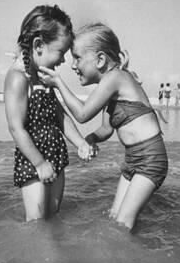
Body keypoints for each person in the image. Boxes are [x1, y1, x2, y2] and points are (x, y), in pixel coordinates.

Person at [38, 22, 168, 232]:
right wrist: (90, 139)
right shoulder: (109, 86)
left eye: (77, 57)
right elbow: (106, 129)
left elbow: (82, 114)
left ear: (100, 60)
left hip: (151, 159)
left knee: (123, 222)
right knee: (114, 219)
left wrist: (58, 83)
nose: (73, 65)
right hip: (133, 159)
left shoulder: (115, 77)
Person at [4, 4, 94, 222]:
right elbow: (16, 128)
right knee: (36, 221)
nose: (63, 60)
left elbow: (60, 116)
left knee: (53, 216)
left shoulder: (44, 78)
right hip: (32, 159)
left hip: (56, 154)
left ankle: (53, 255)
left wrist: (80, 142)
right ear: (39, 45)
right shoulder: (18, 78)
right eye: (61, 52)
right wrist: (39, 163)